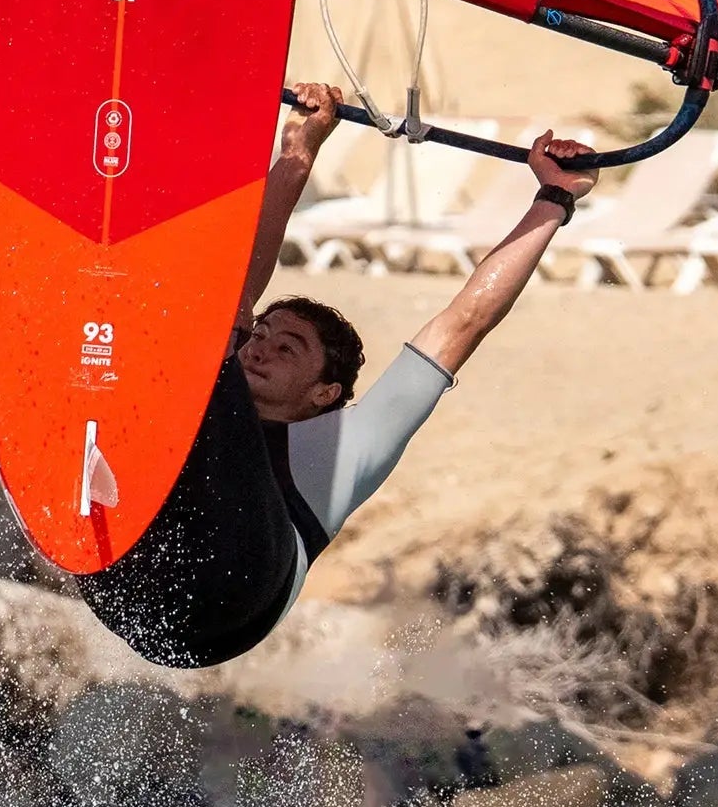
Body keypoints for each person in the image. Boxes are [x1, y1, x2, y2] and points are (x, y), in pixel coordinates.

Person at [76, 81, 597, 667]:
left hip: (233, 599)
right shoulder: (212, 385)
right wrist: (303, 143)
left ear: (325, 393)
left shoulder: (352, 444)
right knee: (181, 341)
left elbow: (463, 323)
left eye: (288, 348)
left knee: (211, 312)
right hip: (124, 591)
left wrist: (555, 198)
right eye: (263, 334)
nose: (261, 350)